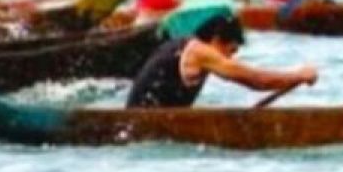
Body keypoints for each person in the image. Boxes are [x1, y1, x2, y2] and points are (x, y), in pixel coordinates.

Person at [126, 14, 318, 108]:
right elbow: (255, 80)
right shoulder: (199, 51)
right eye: (231, 50)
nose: (231, 58)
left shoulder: (187, 45)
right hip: (143, 122)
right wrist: (298, 75)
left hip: (146, 118)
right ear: (216, 40)